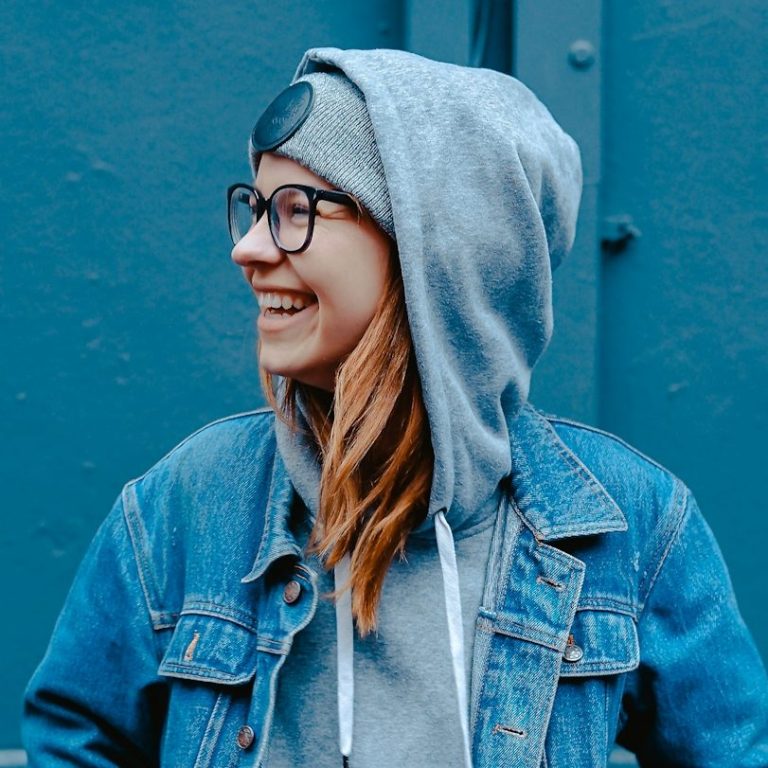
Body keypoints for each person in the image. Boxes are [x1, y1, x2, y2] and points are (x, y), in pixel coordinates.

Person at [22, 46, 768, 768]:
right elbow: (76, 739)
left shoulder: (631, 528)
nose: (248, 248)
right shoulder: (184, 507)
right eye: (254, 207)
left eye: (293, 210)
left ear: (436, 249)